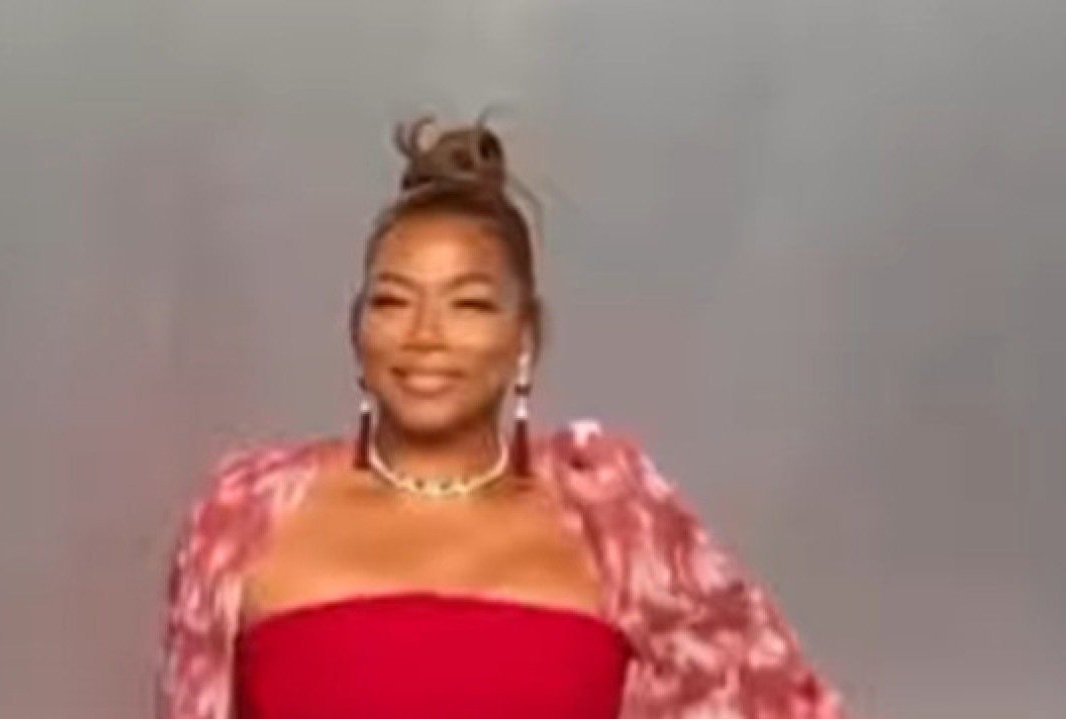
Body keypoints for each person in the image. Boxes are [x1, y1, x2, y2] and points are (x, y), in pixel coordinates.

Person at [156, 116, 848, 719]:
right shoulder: (246, 519)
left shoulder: (614, 523)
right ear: (356, 328)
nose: (425, 334)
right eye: (393, 301)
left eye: (469, 304)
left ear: (526, 338)